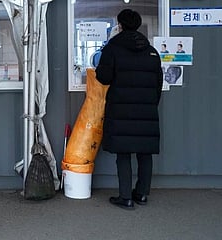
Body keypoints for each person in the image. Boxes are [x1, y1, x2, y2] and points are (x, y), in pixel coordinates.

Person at [95, 9, 163, 210]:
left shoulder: (113, 48)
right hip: (146, 109)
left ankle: (125, 197)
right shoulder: (151, 51)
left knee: (123, 152)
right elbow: (158, 83)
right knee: (145, 152)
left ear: (120, 25)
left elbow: (103, 77)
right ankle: (141, 194)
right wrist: (150, 103)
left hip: (121, 108)